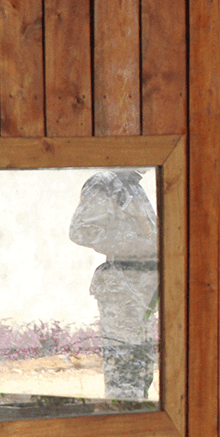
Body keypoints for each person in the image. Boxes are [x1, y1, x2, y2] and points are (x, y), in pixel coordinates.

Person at [69, 170, 158, 399]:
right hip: (122, 290)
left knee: (142, 370)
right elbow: (81, 230)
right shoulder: (105, 182)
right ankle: (125, 428)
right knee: (124, 374)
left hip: (145, 293)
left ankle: (137, 426)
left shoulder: (133, 185)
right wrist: (141, 245)